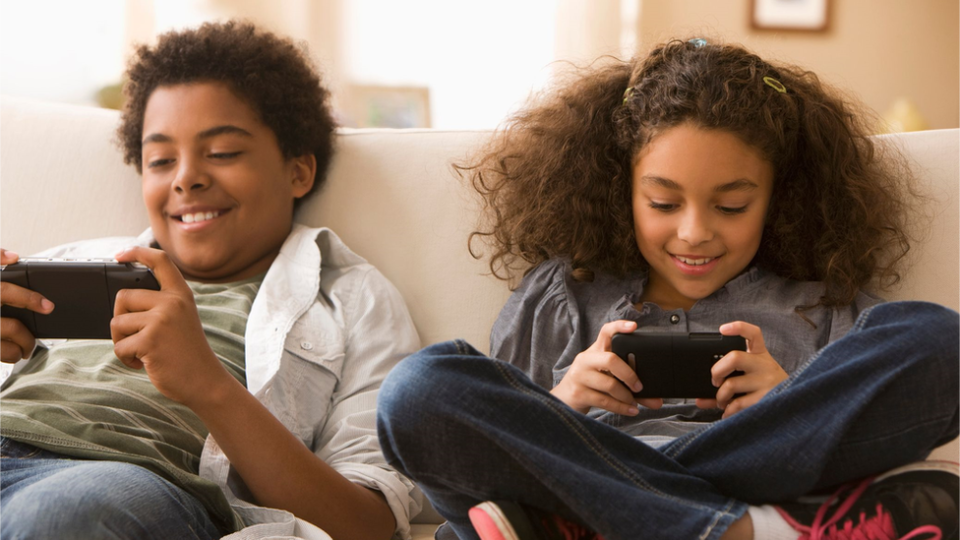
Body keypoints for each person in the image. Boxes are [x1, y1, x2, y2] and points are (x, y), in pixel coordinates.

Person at [376, 38, 960, 540]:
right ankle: (737, 529)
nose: (695, 232)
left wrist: (789, 402)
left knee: (942, 340)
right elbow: (488, 443)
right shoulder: (563, 294)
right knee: (417, 389)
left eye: (731, 205)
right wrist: (565, 404)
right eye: (662, 202)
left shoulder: (822, 309)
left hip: (572, 512)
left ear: (778, 198)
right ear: (620, 191)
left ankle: (592, 520)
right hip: (761, 516)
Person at [0, 21, 421, 540]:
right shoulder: (72, 260)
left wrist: (205, 383)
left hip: (112, 485)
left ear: (298, 172)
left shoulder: (352, 299)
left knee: (59, 518)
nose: (185, 177)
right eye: (160, 160)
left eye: (222, 152)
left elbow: (369, 526)